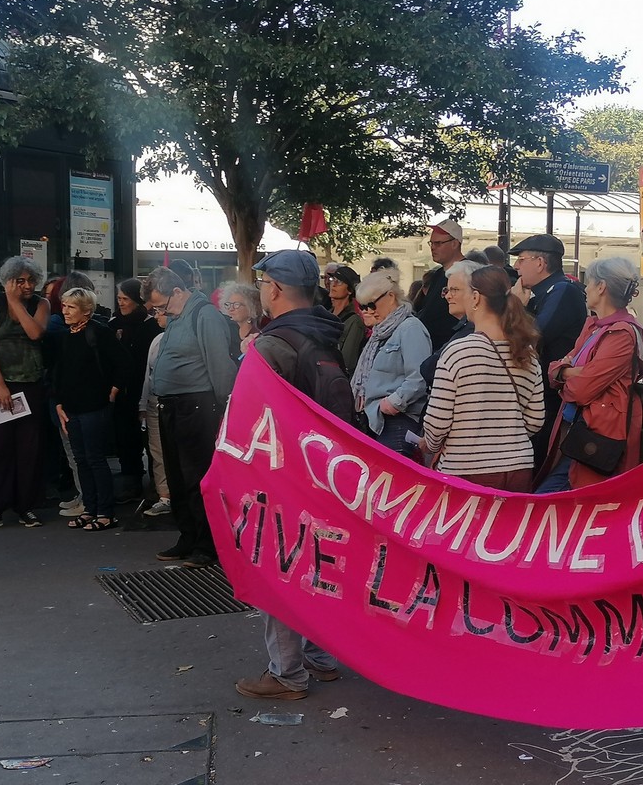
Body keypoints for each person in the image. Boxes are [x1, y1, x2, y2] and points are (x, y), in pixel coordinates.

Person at [235, 249, 344, 701]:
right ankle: (321, 656)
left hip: (279, 478)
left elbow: (246, 420)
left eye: (263, 284)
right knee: (317, 566)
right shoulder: (325, 336)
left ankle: (286, 673)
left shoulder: (271, 345)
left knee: (278, 569)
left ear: (274, 289)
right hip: (323, 473)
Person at [145, 265, 238, 568]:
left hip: (197, 407)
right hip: (172, 406)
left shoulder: (204, 315)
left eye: (162, 305)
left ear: (177, 291)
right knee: (176, 477)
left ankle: (207, 543)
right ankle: (188, 536)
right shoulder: (177, 315)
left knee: (196, 478)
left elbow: (220, 369)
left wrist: (223, 411)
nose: (160, 312)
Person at [420, 264, 544, 491]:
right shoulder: (527, 354)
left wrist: (429, 444)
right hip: (518, 467)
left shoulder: (457, 352)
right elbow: (535, 420)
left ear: (476, 297)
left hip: (466, 468)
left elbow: (437, 422)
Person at [543, 256, 643, 492]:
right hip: (579, 430)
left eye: (590, 282)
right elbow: (554, 370)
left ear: (601, 287)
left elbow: (582, 389)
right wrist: (571, 373)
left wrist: (566, 373)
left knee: (566, 500)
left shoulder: (622, 334)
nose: (585, 287)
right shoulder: (594, 326)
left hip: (596, 436)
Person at [0, 256, 50, 531]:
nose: (27, 285)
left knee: (28, 448)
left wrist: (16, 301)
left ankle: (26, 506)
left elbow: (34, 334)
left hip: (30, 383)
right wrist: (0, 386)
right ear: (9, 281)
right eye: (20, 281)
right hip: (0, 383)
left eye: (31, 280)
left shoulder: (41, 303)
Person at [508, 233, 587, 469]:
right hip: (539, 391)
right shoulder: (543, 293)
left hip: (550, 395)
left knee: (538, 462)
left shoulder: (562, 291)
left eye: (521, 260)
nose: (516, 267)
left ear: (540, 263)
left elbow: (534, 336)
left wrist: (517, 308)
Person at [54, 287, 130, 531]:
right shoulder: (66, 336)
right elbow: (59, 373)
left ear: (86, 311)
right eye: (64, 306)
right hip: (71, 408)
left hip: (95, 406)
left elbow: (124, 363)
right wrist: (58, 404)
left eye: (71, 307)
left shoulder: (100, 333)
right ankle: (90, 509)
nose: (65, 311)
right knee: (81, 459)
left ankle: (105, 512)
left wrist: (114, 389)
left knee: (95, 459)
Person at [350, 268, 431, 453]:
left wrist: (394, 402)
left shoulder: (410, 328)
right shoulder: (380, 332)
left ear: (391, 296)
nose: (368, 311)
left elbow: (419, 376)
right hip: (376, 419)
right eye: (363, 306)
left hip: (398, 421)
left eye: (371, 304)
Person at [109, 278, 161, 504]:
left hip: (144, 387)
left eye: (125, 299)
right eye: (119, 299)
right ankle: (131, 479)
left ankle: (155, 485)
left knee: (149, 439)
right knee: (125, 437)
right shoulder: (113, 324)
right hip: (121, 391)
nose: (121, 303)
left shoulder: (150, 326)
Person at [418, 260, 479, 388]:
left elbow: (430, 369)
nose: (448, 296)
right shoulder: (465, 327)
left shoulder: (474, 330)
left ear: (475, 294)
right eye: (447, 290)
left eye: (455, 290)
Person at [412, 218, 465, 351]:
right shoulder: (437, 274)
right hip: (429, 346)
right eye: (431, 243)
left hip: (449, 347)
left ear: (454, 243)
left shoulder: (467, 273)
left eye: (438, 243)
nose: (433, 248)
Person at [139, 310, 171, 518]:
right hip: (153, 401)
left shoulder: (189, 337)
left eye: (161, 311)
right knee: (157, 451)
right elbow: (148, 376)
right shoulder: (157, 339)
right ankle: (165, 496)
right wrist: (142, 405)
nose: (156, 316)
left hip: (174, 400)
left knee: (177, 450)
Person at [326, 265, 366, 374]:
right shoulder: (325, 315)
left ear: (349, 290)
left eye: (339, 282)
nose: (333, 284)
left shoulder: (354, 321)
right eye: (332, 279)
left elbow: (347, 362)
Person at [219, 282, 262, 357]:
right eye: (228, 304)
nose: (231, 309)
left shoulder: (258, 334)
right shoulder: (226, 331)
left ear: (251, 308)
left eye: (236, 305)